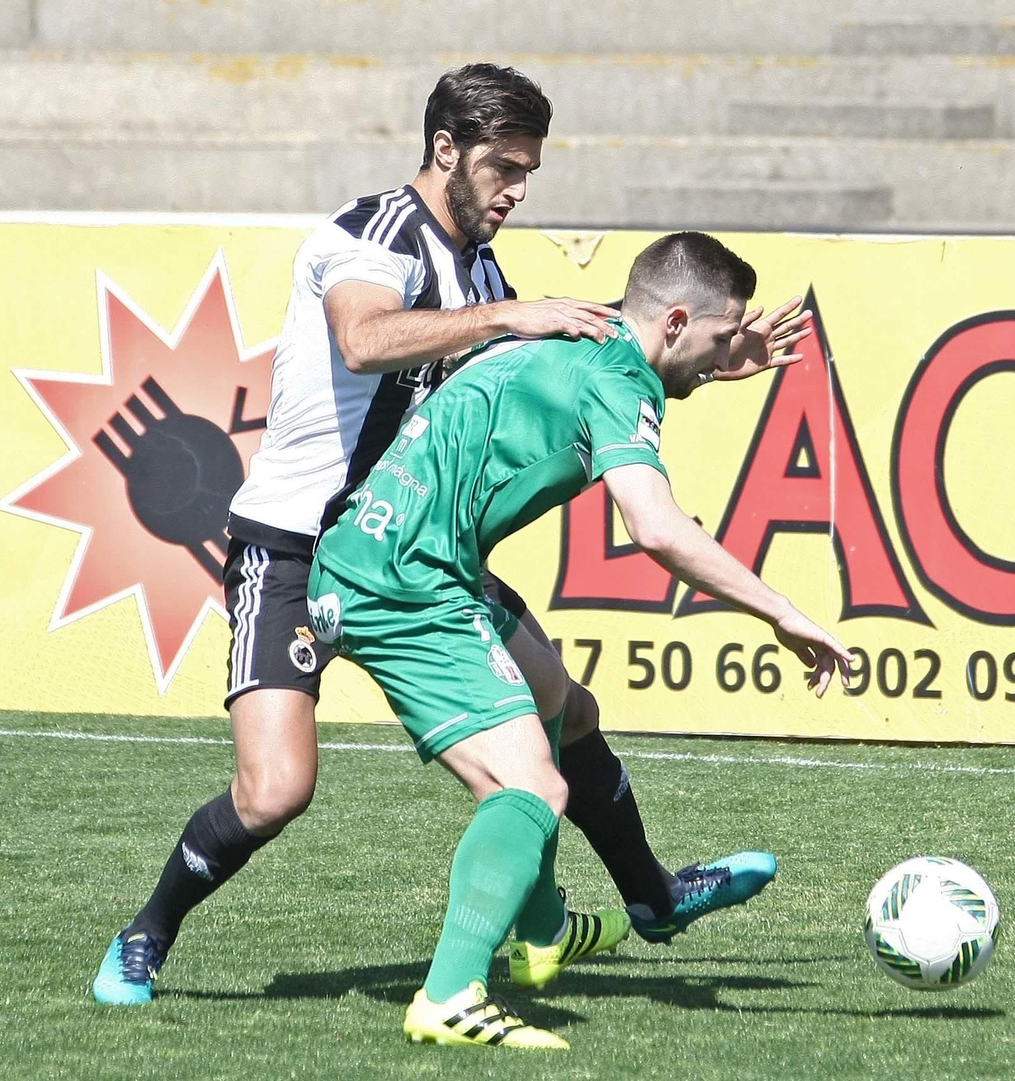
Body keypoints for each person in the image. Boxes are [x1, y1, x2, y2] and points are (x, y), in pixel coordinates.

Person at [91, 62, 812, 1007]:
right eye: (504, 168)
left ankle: (645, 896)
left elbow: (575, 368)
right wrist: (510, 311)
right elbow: (363, 338)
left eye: (529, 172)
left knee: (566, 704)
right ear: (445, 150)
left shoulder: (480, 269)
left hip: (420, 552)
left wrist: (708, 361)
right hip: (299, 545)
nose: (517, 190)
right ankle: (146, 933)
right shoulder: (374, 233)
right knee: (275, 789)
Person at [308, 230, 853, 1049]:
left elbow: (635, 372)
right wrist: (779, 611)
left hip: (402, 556)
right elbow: (657, 528)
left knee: (562, 705)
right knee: (531, 788)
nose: (724, 350)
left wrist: (710, 366)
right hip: (402, 578)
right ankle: (450, 993)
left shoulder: (588, 328)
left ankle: (559, 927)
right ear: (672, 320)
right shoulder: (615, 374)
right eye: (715, 334)